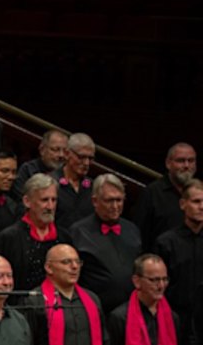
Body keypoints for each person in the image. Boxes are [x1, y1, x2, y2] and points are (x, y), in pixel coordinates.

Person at [69, 173, 142, 312]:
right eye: (109, 200)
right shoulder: (78, 232)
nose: (115, 206)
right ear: (95, 201)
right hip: (94, 310)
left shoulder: (132, 229)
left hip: (131, 311)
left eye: (119, 200)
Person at [0, 173, 71, 291]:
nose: (50, 206)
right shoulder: (9, 238)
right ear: (27, 201)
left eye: (54, 200)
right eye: (44, 200)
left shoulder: (64, 238)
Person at [154, 179, 203, 317]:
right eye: (196, 202)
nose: (202, 206)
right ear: (182, 204)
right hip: (174, 317)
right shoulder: (166, 243)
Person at [134, 142, 196, 248]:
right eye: (181, 161)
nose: (187, 166)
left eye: (191, 161)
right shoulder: (152, 192)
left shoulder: (199, 192)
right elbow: (139, 234)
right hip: (161, 260)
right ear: (168, 163)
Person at [53, 133, 96, 231]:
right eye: (81, 157)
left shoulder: (94, 187)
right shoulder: (50, 183)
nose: (86, 163)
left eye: (90, 158)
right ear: (67, 154)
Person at [15, 130, 67, 194]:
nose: (61, 155)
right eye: (55, 149)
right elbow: (19, 198)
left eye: (65, 151)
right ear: (42, 150)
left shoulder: (67, 173)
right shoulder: (27, 169)